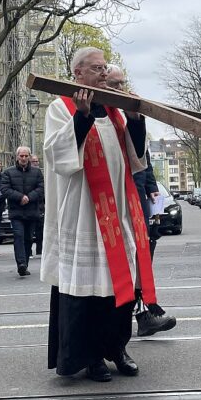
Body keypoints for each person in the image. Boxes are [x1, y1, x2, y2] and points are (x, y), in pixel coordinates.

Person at [42, 46, 157, 382]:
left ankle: (117, 348)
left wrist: (135, 120)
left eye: (105, 68)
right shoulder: (60, 107)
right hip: (84, 212)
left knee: (121, 285)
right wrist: (81, 116)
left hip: (118, 210)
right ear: (78, 73)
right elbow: (58, 156)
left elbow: (136, 157)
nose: (104, 73)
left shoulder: (115, 111)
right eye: (96, 68)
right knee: (89, 288)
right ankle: (90, 357)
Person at [104, 63, 176, 337]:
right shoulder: (100, 115)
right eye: (115, 85)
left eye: (122, 84)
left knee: (140, 252)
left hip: (134, 196)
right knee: (123, 258)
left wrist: (151, 187)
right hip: (111, 200)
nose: (120, 89)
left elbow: (140, 156)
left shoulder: (124, 116)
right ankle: (135, 315)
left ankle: (144, 312)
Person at [1, 146, 44, 277]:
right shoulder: (8, 172)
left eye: (26, 156)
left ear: (29, 157)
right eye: (21, 156)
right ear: (17, 157)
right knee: (18, 236)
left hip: (32, 211)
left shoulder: (37, 172)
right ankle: (21, 263)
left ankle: (25, 264)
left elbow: (41, 188)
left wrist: (29, 197)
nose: (24, 158)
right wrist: (20, 197)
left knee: (28, 238)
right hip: (16, 212)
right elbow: (5, 189)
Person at [29, 155, 45, 257]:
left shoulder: (40, 174)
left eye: (37, 161)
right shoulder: (28, 174)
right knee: (30, 231)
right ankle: (29, 251)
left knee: (40, 231)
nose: (36, 163)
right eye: (34, 161)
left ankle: (40, 249)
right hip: (30, 206)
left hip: (40, 206)